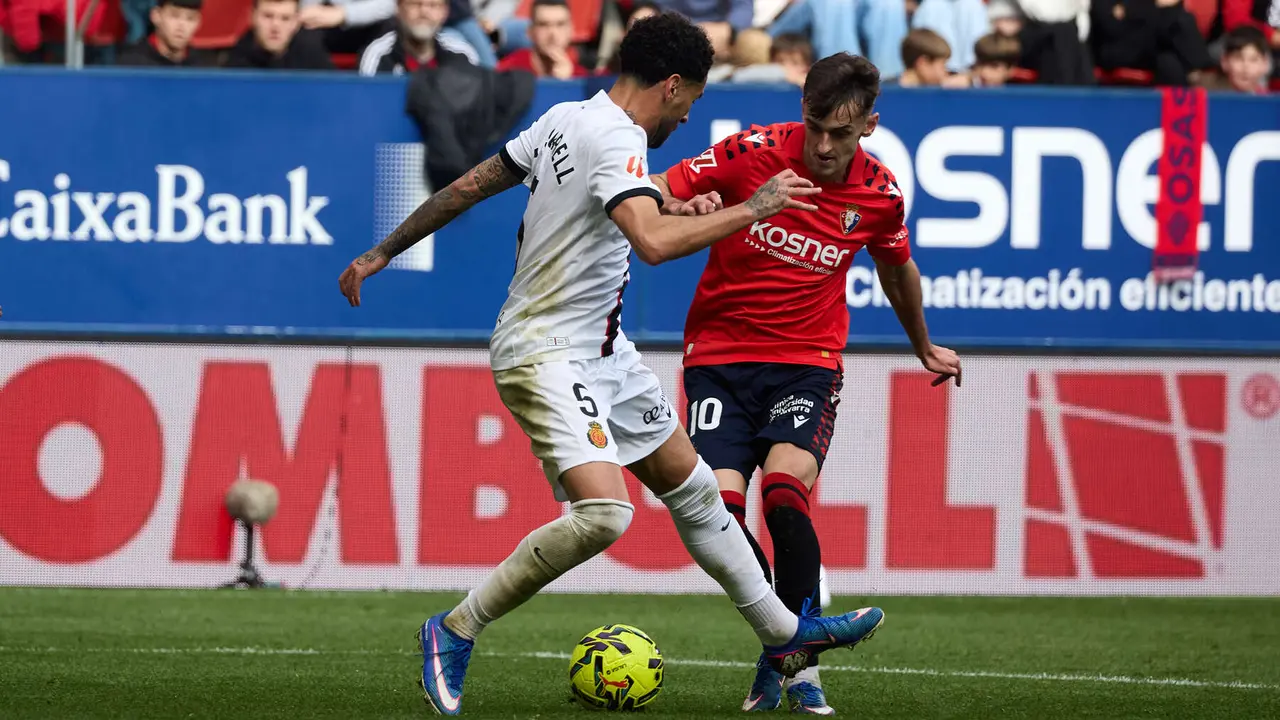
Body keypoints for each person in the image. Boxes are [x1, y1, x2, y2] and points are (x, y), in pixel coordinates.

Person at [337, 13, 885, 716]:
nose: (687, 119)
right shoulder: (620, 139)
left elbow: (471, 185)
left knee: (695, 491)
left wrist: (382, 249)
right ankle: (454, 629)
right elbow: (650, 245)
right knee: (603, 514)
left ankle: (785, 638)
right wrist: (753, 207)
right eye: (691, 101)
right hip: (545, 350)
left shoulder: (568, 118)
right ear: (672, 85)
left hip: (602, 352)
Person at [651, 52, 961, 714]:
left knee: (785, 496)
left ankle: (796, 668)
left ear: (869, 125)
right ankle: (789, 644)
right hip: (718, 358)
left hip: (806, 361)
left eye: (839, 133)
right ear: (802, 111)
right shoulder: (749, 153)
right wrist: (679, 202)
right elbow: (653, 187)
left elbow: (897, 270)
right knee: (718, 514)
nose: (822, 145)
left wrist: (923, 345)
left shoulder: (880, 195)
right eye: (815, 127)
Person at [358, 0, 478, 75]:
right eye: (415, 4)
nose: (424, 12)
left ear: (445, 12)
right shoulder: (378, 55)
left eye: (433, 5)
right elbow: (369, 104)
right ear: (398, 8)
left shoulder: (463, 54)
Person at [225, 0, 334, 70]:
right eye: (268, 16)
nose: (275, 26)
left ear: (296, 22)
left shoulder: (312, 53)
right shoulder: (236, 63)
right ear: (252, 17)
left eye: (285, 18)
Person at [495, 0, 589, 78]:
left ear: (571, 31)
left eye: (560, 24)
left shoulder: (583, 79)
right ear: (530, 32)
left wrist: (567, 83)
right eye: (543, 25)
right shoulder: (508, 70)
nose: (553, 33)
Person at [117, 0, 206, 67]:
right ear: (156, 16)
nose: (182, 26)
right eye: (174, 16)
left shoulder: (204, 67)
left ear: (198, 22)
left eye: (190, 18)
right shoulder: (131, 65)